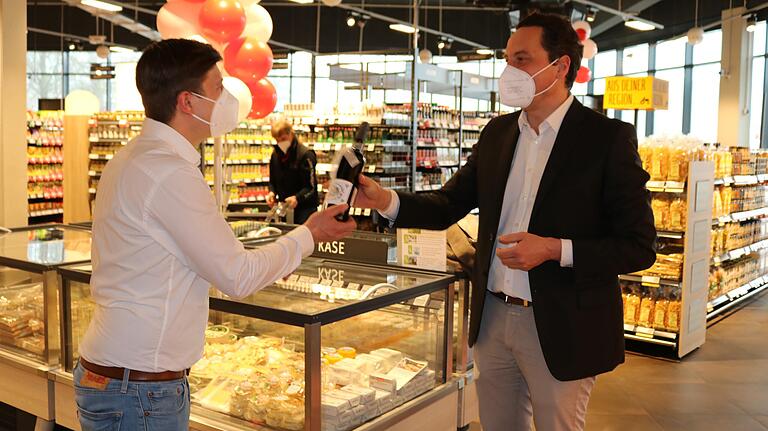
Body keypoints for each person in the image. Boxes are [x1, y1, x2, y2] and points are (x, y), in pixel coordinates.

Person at [356, 12, 656, 431]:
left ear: (561, 65)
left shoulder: (605, 140)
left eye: (522, 59)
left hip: (561, 323)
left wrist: (554, 249)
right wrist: (385, 200)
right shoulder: (497, 134)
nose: (508, 71)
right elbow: (448, 203)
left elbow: (639, 245)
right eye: (507, 60)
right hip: (493, 319)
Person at [74, 39, 355, 431]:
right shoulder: (169, 172)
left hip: (120, 376)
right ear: (187, 102)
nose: (228, 98)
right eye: (219, 88)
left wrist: (276, 257)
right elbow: (237, 275)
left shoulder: (131, 159)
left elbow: (178, 256)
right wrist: (310, 233)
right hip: (139, 390)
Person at [266, 118, 319, 224]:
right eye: (277, 140)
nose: (281, 143)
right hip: (285, 209)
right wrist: (272, 192)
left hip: (305, 210)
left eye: (283, 139)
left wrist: (297, 198)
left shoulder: (306, 154)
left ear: (291, 133)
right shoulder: (275, 155)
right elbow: (273, 180)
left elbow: (311, 187)